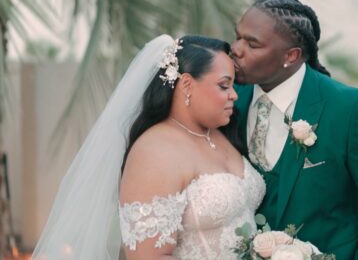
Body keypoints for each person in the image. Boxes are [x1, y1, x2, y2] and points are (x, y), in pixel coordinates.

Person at [32, 34, 265, 259]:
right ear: (186, 84)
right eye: (224, 86)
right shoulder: (154, 152)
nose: (234, 95)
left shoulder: (219, 134)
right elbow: (148, 256)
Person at [231, 0, 358, 259]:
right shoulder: (227, 100)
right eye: (238, 36)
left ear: (291, 55)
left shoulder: (348, 108)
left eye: (252, 44)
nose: (236, 48)